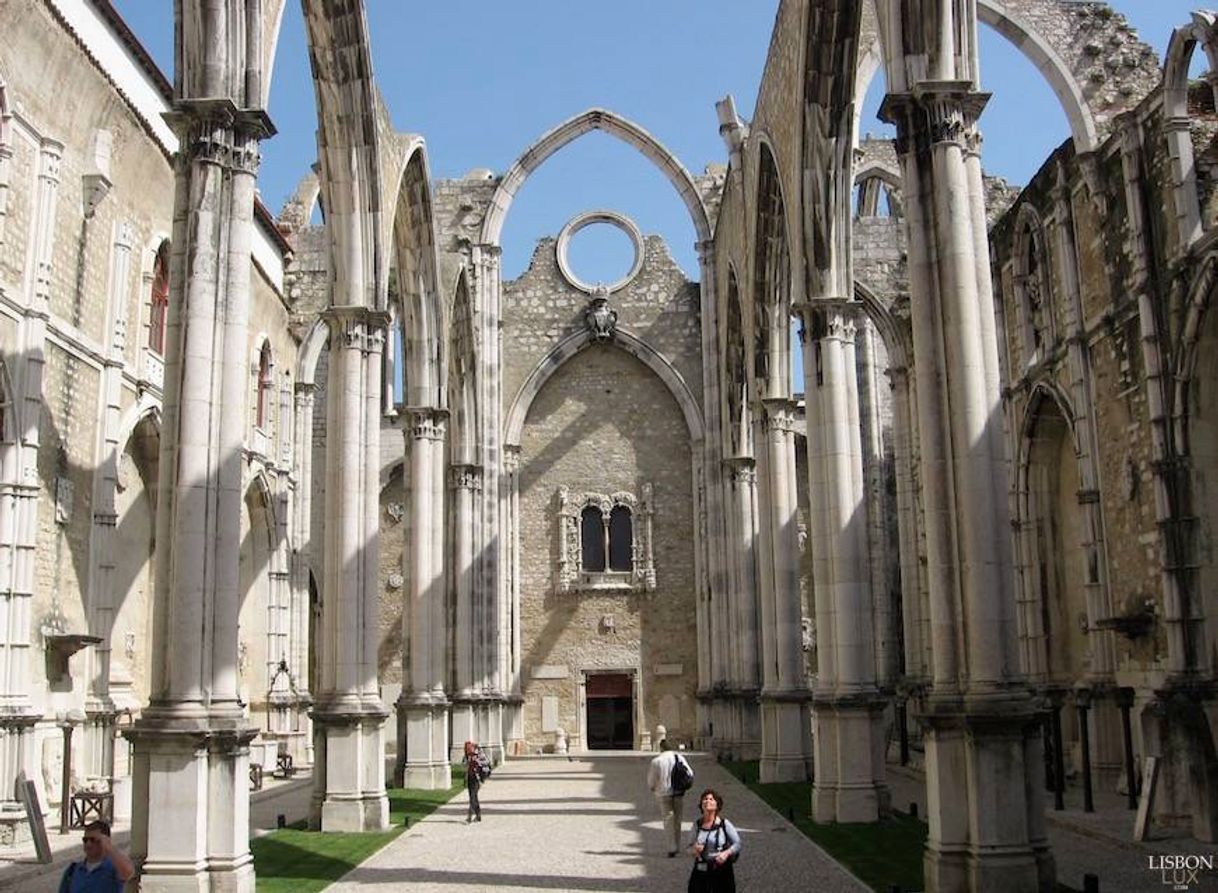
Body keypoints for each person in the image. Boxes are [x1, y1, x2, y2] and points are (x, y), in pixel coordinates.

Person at [687, 788, 741, 893]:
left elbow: (738, 844)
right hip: (702, 868)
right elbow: (688, 847)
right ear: (701, 805)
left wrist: (726, 853)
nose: (707, 801)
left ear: (717, 805)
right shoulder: (697, 825)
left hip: (721, 869)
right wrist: (694, 850)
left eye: (711, 799)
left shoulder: (724, 824)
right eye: (705, 799)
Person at [58, 820, 135, 893]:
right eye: (85, 840)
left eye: (93, 840)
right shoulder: (73, 870)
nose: (88, 844)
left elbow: (128, 872)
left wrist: (109, 847)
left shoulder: (114, 868)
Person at [646, 739, 689, 857]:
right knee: (678, 820)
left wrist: (652, 787)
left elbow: (652, 779)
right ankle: (678, 845)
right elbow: (689, 773)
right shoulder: (679, 758)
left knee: (668, 819)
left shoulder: (657, 761)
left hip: (664, 794)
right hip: (679, 792)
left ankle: (672, 847)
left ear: (661, 748)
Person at [462, 740, 484, 823]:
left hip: (475, 779)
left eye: (468, 747)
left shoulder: (476, 757)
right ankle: (478, 815)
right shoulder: (467, 757)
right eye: (466, 748)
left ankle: (469, 816)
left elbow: (480, 767)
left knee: (472, 798)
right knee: (474, 797)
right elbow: (465, 767)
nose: (467, 749)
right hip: (470, 779)